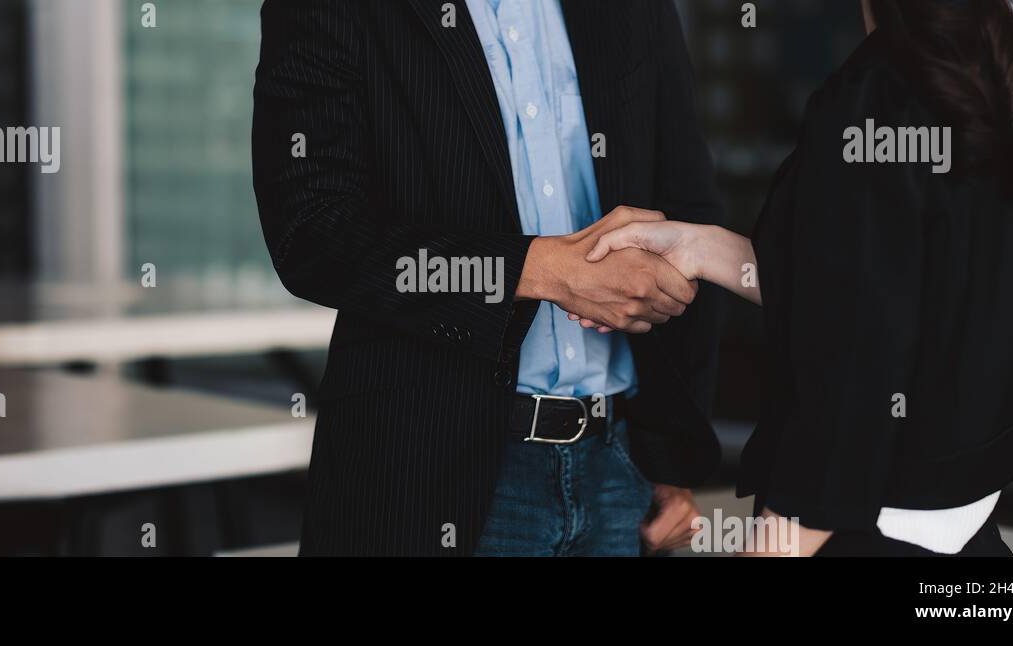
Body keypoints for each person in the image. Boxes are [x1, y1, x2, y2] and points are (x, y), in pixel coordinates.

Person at [576, 0, 1013, 556]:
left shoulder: (875, 97)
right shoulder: (986, 68)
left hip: (864, 532)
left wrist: (780, 543)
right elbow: (887, 285)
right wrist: (698, 248)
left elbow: (856, 375)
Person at [253, 0, 724, 556]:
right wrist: (539, 270)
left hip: (620, 469)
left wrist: (672, 456)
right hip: (428, 471)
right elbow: (311, 234)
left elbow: (687, 209)